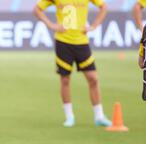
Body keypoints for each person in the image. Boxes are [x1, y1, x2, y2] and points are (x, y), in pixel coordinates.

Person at [33, 0, 112, 128]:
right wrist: (51, 25)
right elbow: (37, 9)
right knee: (65, 79)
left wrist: (94, 26)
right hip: (63, 42)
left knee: (93, 78)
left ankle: (99, 116)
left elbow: (103, 7)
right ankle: (69, 117)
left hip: (81, 42)